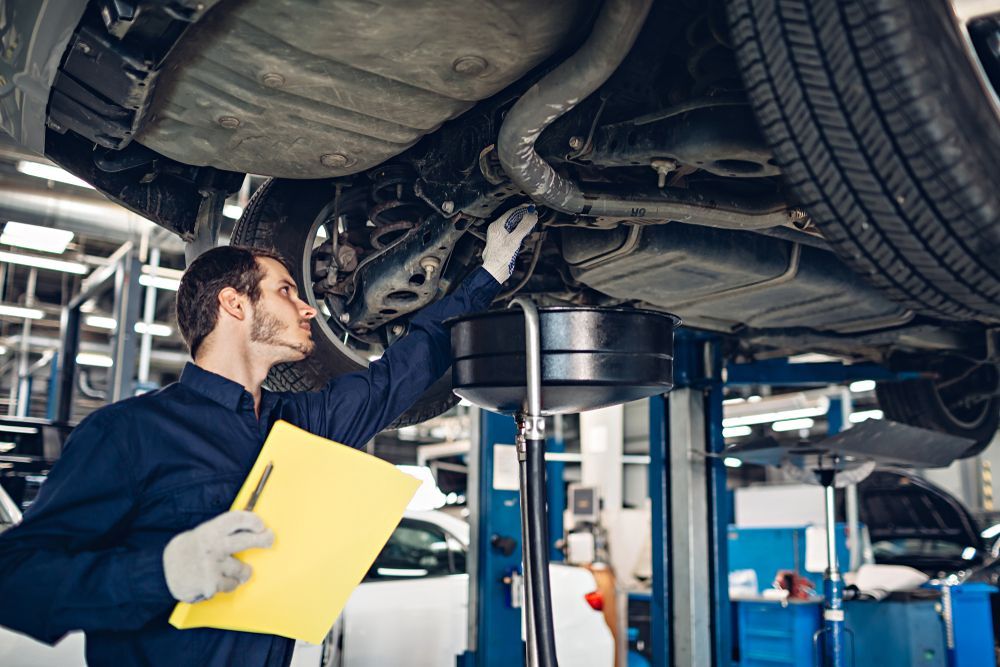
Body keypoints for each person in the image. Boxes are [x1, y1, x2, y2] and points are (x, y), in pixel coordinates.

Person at [0, 206, 537, 666]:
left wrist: (487, 274)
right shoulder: (128, 434)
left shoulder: (299, 425)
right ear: (235, 304)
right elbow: (16, 581)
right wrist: (161, 573)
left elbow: (399, 374)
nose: (308, 308)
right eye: (286, 291)